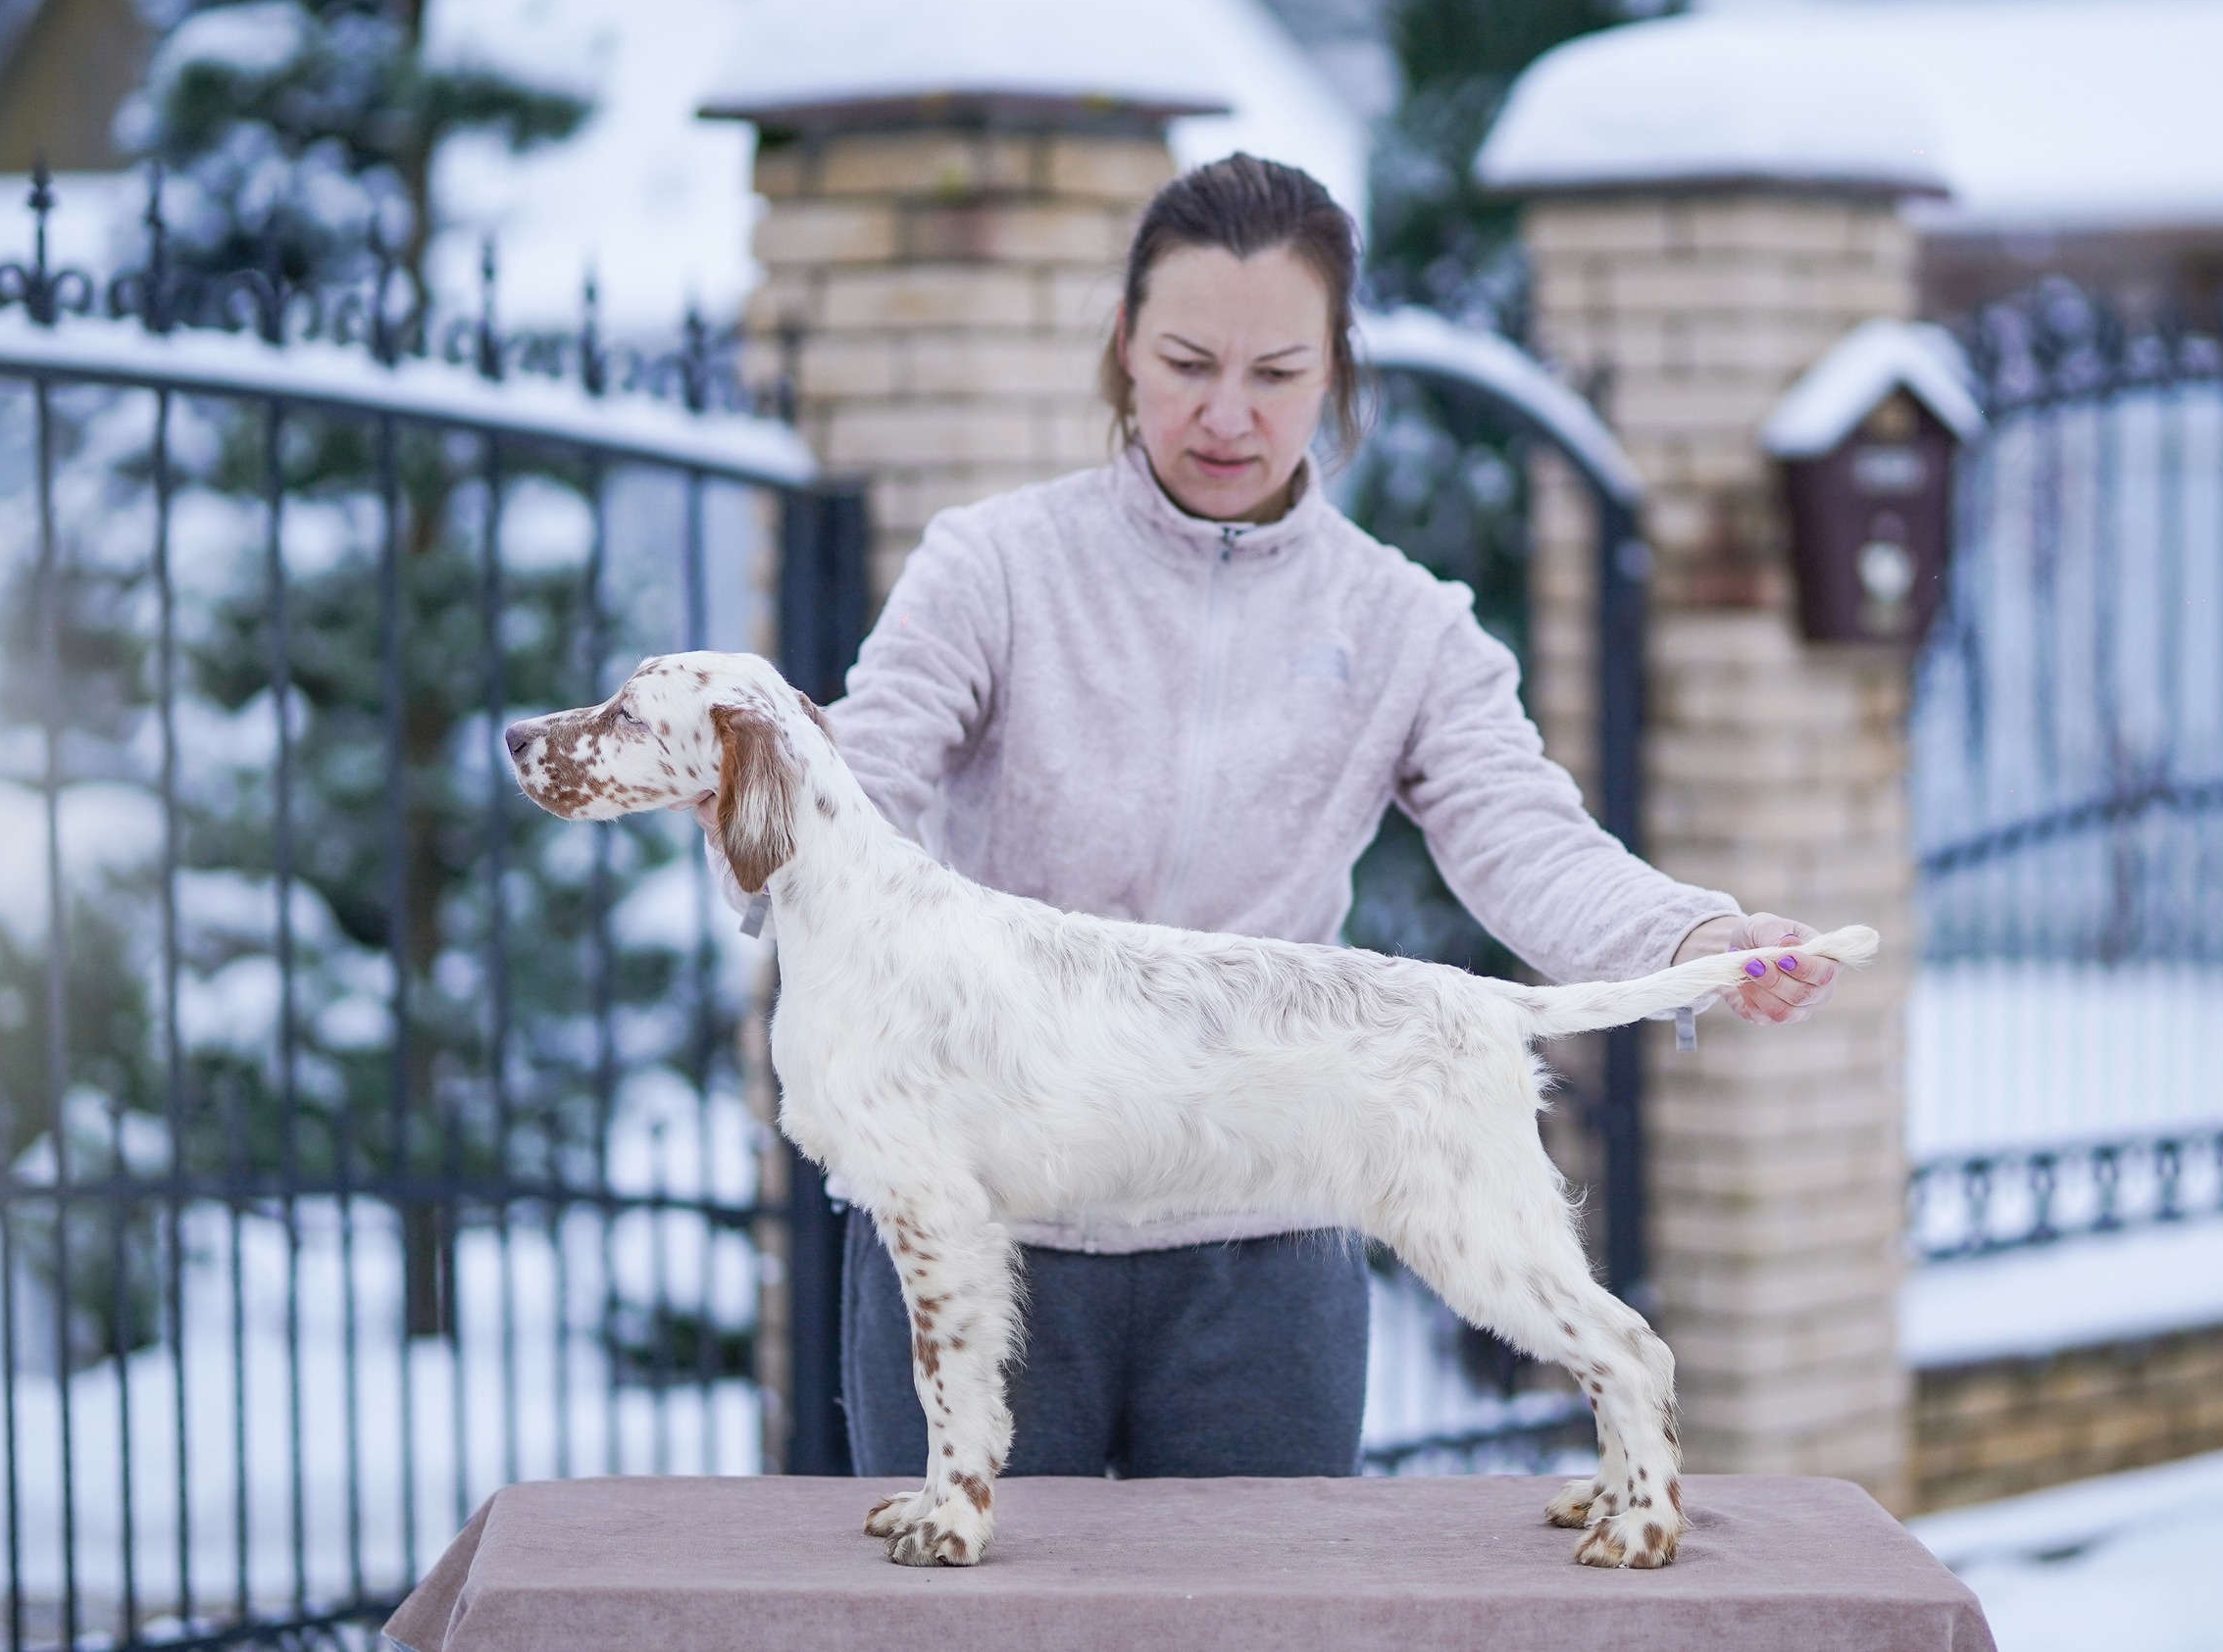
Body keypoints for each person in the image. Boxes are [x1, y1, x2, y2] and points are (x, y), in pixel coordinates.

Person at [693, 152, 1841, 1479]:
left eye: (1277, 374)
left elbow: (1523, 839)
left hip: (1265, 1241)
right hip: (987, 1207)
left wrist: (1693, 931)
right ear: (1123, 347)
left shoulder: (1405, 624)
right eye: (1186, 362)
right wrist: (758, 823)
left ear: (1337, 371)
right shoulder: (993, 567)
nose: (1226, 414)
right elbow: (866, 789)